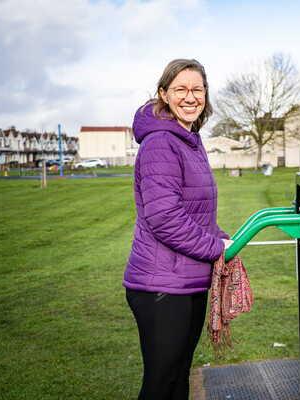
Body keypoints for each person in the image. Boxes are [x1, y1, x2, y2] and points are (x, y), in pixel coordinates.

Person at [123, 58, 232, 400]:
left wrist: (220, 236)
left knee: (177, 377)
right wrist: (216, 249)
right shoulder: (161, 143)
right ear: (163, 94)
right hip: (161, 286)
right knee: (161, 382)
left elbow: (194, 213)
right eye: (180, 89)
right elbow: (165, 218)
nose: (190, 96)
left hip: (187, 281)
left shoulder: (189, 139)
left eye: (197, 89)